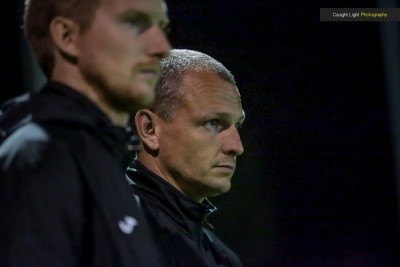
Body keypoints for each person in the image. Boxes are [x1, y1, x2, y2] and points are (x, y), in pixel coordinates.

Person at [0, 0, 171, 266]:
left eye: (161, 27)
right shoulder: (42, 158)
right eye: (134, 23)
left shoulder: (104, 159)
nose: (162, 47)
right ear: (67, 37)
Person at [126, 49, 245, 267]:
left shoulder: (222, 258)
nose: (236, 147)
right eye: (212, 122)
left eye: (237, 125)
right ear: (150, 129)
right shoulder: (102, 223)